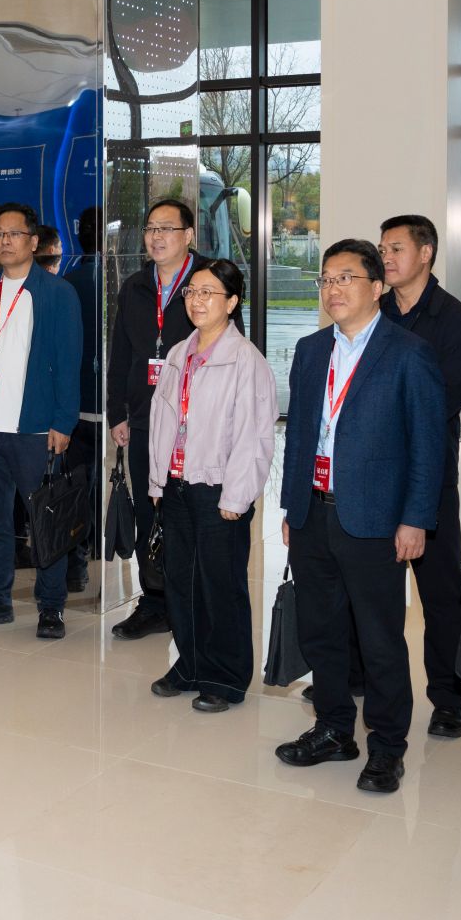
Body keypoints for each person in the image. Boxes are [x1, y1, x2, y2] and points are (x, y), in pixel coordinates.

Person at [275, 239, 446, 794]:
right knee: (321, 631)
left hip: (376, 519)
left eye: (345, 277)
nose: (333, 288)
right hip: (313, 512)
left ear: (377, 287)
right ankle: (332, 729)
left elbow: (428, 446)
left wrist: (415, 518)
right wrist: (291, 506)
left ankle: (388, 747)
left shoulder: (408, 353)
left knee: (379, 639)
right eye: (326, 279)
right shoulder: (310, 350)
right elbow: (300, 435)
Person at [146, 258, 277, 711]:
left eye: (208, 293)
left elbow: (254, 436)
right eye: (192, 292)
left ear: (233, 301)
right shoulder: (179, 354)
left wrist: (237, 497)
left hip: (218, 490)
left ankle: (225, 677)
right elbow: (162, 421)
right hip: (177, 486)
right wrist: (157, 481)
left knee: (220, 585)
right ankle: (191, 664)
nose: (197, 301)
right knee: (181, 583)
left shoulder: (246, 360)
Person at [0, 203, 83, 638]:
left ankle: (51, 605)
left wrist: (63, 422)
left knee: (45, 519)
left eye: (14, 234)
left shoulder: (57, 293)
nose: (5, 241)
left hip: (35, 430)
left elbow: (70, 363)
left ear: (33, 241)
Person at [377, 213, 461, 737]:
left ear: (425, 253)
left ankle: (448, 697)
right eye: (382, 249)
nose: (386, 257)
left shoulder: (454, 319)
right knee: (372, 588)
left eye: (396, 248)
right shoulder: (375, 311)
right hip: (374, 475)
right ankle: (363, 676)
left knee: (439, 593)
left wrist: (381, 414)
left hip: (426, 475)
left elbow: (447, 397)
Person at [106, 198, 200, 640]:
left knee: (189, 513)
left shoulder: (207, 283)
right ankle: (154, 600)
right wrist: (117, 412)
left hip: (193, 425)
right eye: (150, 228)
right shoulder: (136, 286)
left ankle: (191, 600)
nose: (156, 236)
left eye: (167, 228)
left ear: (189, 236)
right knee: (149, 512)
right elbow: (120, 354)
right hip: (144, 421)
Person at [63, 206, 103, 595]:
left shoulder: (67, 283)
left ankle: (76, 564)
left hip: (74, 405)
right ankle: (102, 545)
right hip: (108, 405)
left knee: (76, 484)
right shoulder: (121, 284)